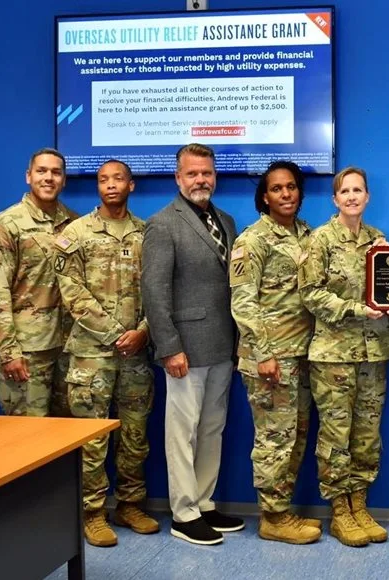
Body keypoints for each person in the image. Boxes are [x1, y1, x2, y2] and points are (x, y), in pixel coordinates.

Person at [142, 143, 244, 546]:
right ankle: (183, 513)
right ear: (178, 178)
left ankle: (204, 502)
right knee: (181, 431)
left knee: (212, 428)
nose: (201, 180)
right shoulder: (163, 224)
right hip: (184, 346)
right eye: (192, 174)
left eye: (207, 173)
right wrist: (168, 346)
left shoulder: (227, 220)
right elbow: (153, 290)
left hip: (223, 344)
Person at [55, 160, 158, 547]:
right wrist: (118, 334)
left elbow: (158, 291)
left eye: (118, 179)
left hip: (136, 355)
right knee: (92, 439)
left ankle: (130, 505)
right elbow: (72, 293)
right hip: (90, 356)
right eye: (103, 180)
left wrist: (144, 333)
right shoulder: (75, 233)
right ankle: (92, 513)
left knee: (135, 435)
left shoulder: (147, 233)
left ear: (131, 185)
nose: (110, 185)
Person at [298, 167, 389, 546]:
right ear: (335, 199)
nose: (352, 196)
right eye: (345, 191)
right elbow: (311, 294)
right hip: (334, 355)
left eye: (358, 190)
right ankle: (340, 511)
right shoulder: (319, 240)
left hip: (374, 354)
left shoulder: (380, 241)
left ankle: (360, 504)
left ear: (367, 197)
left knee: (368, 435)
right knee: (337, 435)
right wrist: (357, 309)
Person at [230, 160, 321, 545]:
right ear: (264, 197)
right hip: (269, 358)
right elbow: (243, 302)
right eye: (277, 189)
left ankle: (282, 509)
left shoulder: (307, 234)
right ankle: (272, 516)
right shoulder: (252, 241)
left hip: (302, 353)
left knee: (296, 435)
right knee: (274, 438)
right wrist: (264, 353)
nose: (286, 194)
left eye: (291, 187)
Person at [0, 148, 77, 417]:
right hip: (27, 353)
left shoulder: (75, 224)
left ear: (64, 179)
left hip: (68, 349)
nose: (49, 178)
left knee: (67, 438)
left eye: (56, 172)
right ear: (28, 176)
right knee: (27, 440)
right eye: (41, 171)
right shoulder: (6, 225)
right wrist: (8, 352)